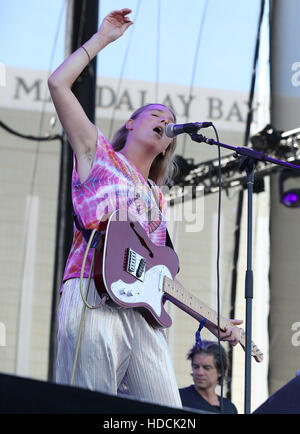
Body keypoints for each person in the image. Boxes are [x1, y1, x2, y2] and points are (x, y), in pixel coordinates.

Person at [48, 8, 243, 408]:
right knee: (93, 407)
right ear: (133, 123)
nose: (165, 121)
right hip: (92, 292)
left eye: (170, 121)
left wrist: (212, 320)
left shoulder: (157, 197)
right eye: (156, 115)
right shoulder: (98, 153)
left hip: (140, 314)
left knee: (166, 412)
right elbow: (58, 84)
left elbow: (156, 272)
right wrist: (102, 38)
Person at [179, 341, 238, 413]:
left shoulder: (229, 408)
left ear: (220, 372)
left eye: (206, 368)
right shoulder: (179, 398)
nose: (199, 373)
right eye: (196, 367)